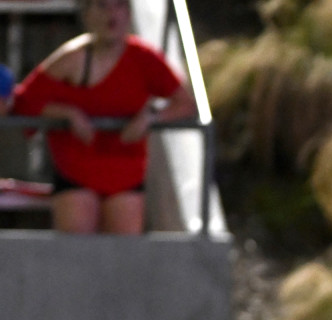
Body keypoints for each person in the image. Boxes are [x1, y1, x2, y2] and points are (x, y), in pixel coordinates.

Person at [9, 0, 196, 233]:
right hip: (76, 170)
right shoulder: (71, 58)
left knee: (121, 255)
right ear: (87, 16)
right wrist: (67, 113)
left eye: (119, 6)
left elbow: (186, 104)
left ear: (128, 14)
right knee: (75, 249)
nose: (112, 14)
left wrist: (151, 116)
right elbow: (22, 102)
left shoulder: (144, 58)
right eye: (102, 6)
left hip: (126, 171)